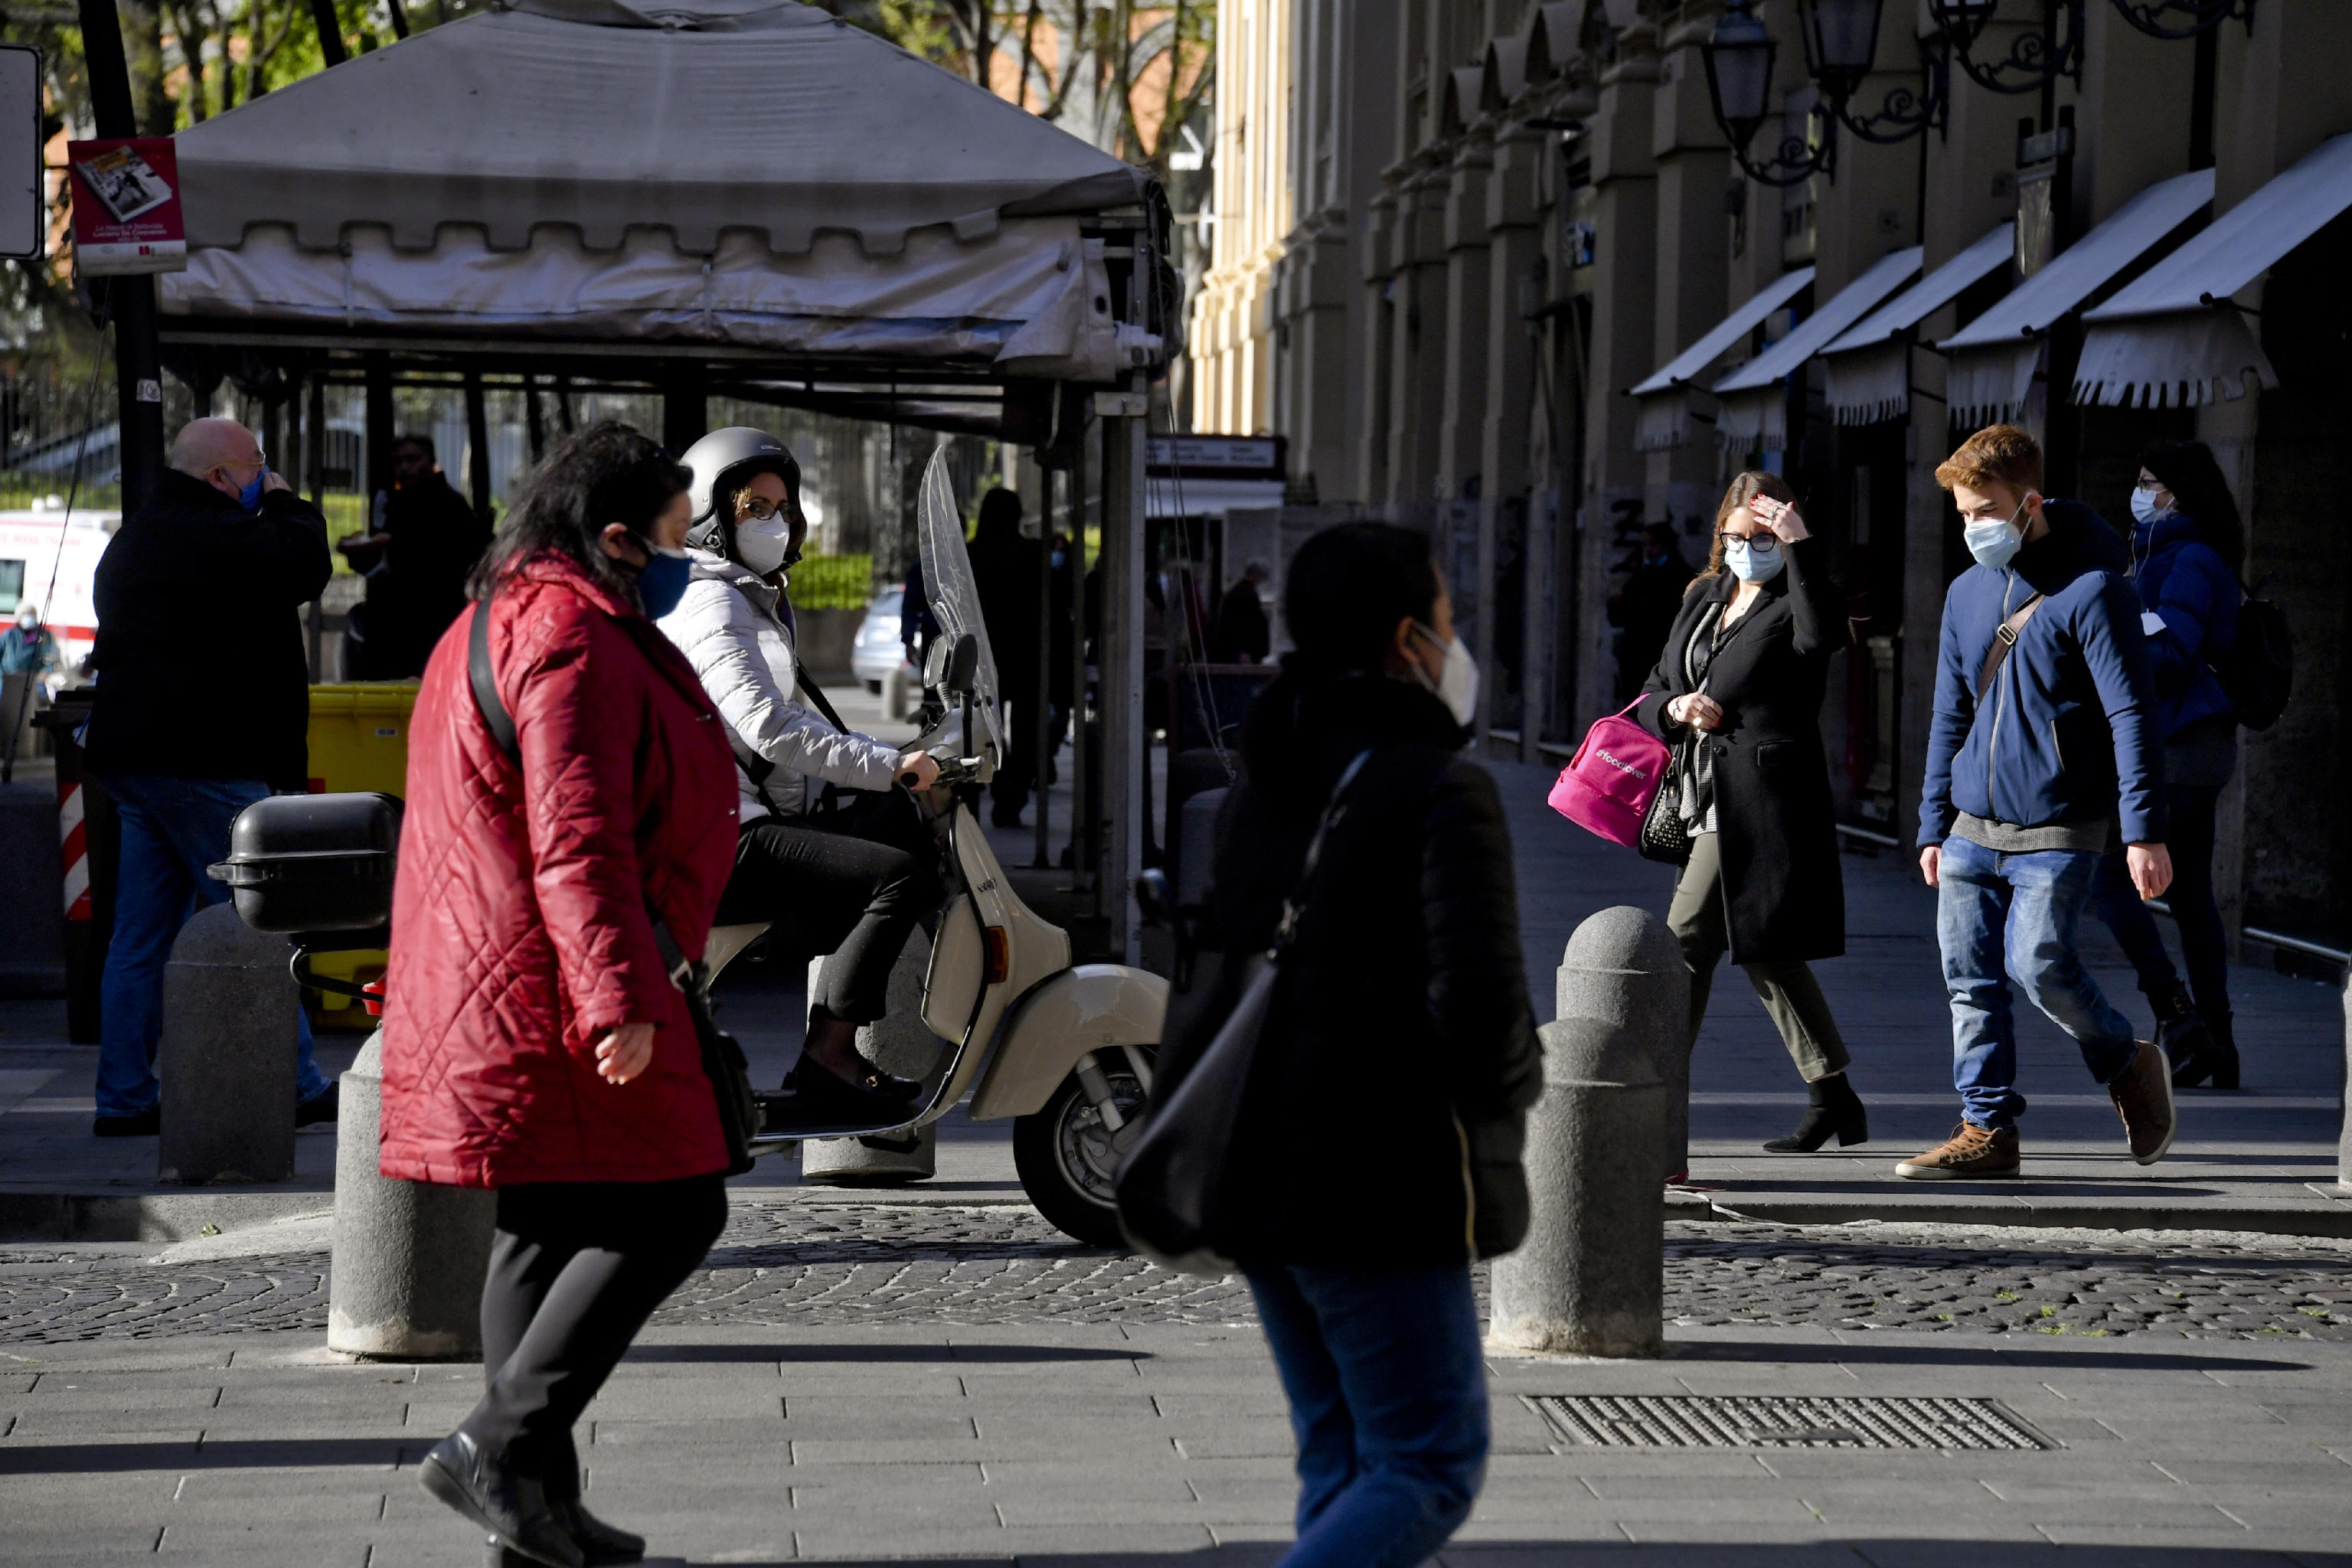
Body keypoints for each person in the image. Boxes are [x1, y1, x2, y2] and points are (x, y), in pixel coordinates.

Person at [381, 423, 739, 1568]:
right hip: (554, 983)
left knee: (544, 1232)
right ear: (615, 535)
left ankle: (536, 1516)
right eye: (676, 535)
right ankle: (498, 1445)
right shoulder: (570, 636)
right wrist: (617, 1001)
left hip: (499, 979)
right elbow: (577, 844)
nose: (687, 555)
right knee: (680, 1206)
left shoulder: (494, 616)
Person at [1165, 521, 1540, 1567]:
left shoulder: (1262, 775)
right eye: (1448, 618)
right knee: (1427, 1464)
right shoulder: (1437, 786)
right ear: (1405, 638)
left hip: (1255, 1163)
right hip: (1377, 1176)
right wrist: (1511, 1095)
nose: (1455, 640)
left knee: (1340, 1455)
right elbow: (1482, 1012)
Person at [1909, 423, 2176, 1181]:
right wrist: (1934, 821)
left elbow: (2132, 712)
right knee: (1970, 979)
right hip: (1970, 824)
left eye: (1985, 510)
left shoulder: (2094, 589)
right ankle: (1986, 1126)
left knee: (2041, 964)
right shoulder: (1965, 594)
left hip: (2060, 820)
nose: (1973, 527)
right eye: (1962, 513)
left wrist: (2144, 829)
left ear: (2028, 502)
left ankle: (2125, 1056)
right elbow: (1948, 715)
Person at [656, 427, 945, 1119]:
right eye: (756, 508)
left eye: (783, 509)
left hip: (734, 817)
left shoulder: (741, 595)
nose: (776, 523)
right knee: (900, 872)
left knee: (894, 827)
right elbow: (770, 728)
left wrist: (888, 762)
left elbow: (792, 722)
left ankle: (830, 1039)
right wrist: (890, 767)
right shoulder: (713, 604)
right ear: (712, 518)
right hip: (720, 835)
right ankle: (831, 1057)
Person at [80, 417, 338, 1137]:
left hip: (138, 761)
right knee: (262, 915)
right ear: (220, 477)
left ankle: (123, 1095)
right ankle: (296, 1083)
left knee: (140, 935)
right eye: (256, 463)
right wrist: (288, 502)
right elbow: (302, 567)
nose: (265, 471)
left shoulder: (143, 533)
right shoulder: (210, 531)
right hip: (206, 762)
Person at [1636, 472, 1861, 1159]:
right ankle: (1834, 1098)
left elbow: (1824, 638)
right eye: (1737, 537)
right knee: (1767, 951)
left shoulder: (1800, 599)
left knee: (1682, 944)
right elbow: (1654, 686)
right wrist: (1675, 709)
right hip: (1701, 793)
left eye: (1762, 537)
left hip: (1761, 802)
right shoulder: (1704, 598)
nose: (1747, 549)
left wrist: (1800, 549)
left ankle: (1651, 1109)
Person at [2090, 443, 2243, 1089]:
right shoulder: (2162, 554)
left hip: (2176, 747)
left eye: (2149, 483)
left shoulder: (2189, 559)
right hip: (2191, 746)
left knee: (2111, 882)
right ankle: (2218, 1042)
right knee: (2189, 893)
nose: (2139, 492)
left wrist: (2105, 655)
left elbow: (2173, 651)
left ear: (2176, 493)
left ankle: (2179, 1018)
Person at [339, 434, 492, 678]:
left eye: (413, 459)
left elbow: (445, 557)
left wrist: (395, 543)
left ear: (431, 461)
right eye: (398, 461)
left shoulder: (449, 504)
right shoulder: (397, 503)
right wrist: (360, 550)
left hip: (436, 621)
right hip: (396, 627)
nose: (405, 468)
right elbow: (381, 563)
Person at [966, 485, 1044, 827]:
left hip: (983, 657)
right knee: (1025, 732)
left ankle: (989, 787)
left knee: (983, 731)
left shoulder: (970, 555)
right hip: (1024, 653)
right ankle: (1011, 796)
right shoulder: (1032, 554)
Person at [1610, 522, 1690, 702]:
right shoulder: (1638, 580)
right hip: (1636, 661)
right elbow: (1619, 618)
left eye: (1653, 544)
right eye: (1645, 544)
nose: (1648, 550)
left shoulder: (1682, 579)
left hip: (1663, 659)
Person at [1207, 559, 1272, 663]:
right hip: (1238, 650)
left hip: (1234, 649)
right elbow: (1245, 624)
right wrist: (1244, 651)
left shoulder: (1238, 591)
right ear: (1256, 575)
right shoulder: (1245, 594)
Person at [1, 604, 58, 684]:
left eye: (31, 615)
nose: (28, 618)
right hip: (8, 679)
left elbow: (52, 657)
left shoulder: (44, 635)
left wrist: (46, 671)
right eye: (25, 615)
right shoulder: (8, 635)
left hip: (33, 680)